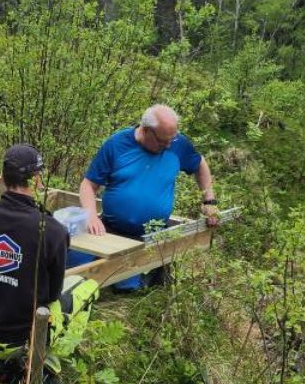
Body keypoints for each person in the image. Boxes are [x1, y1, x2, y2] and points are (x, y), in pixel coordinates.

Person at [0, 144, 99, 384]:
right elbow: (52, 296)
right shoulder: (52, 230)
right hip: (21, 345)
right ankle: (52, 355)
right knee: (88, 286)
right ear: (37, 181)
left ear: (1, 178)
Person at [78, 104, 220, 289]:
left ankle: (148, 278)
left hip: (154, 235)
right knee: (99, 278)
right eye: (162, 141)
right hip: (113, 231)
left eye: (172, 139)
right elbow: (88, 185)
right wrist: (90, 215)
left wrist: (209, 200)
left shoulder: (177, 144)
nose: (168, 145)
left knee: (135, 288)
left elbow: (200, 164)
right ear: (146, 130)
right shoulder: (117, 144)